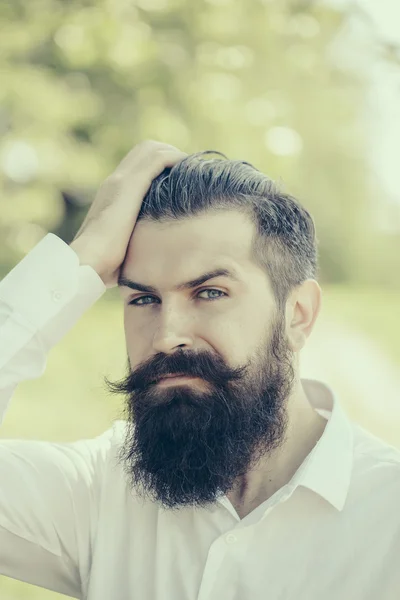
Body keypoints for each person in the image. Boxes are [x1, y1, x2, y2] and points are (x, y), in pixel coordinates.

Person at [0, 140, 399, 600]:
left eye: (210, 292)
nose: (166, 335)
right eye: (144, 299)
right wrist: (84, 256)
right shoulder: (96, 494)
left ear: (299, 314)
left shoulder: (390, 519)